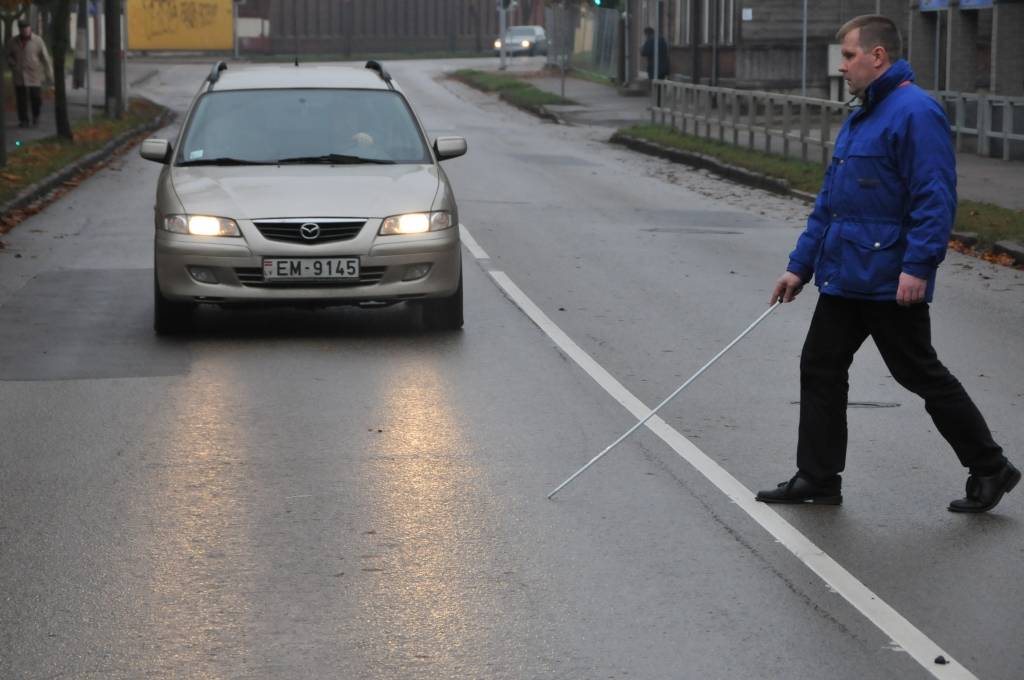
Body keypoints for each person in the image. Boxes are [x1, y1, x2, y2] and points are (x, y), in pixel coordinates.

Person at [755, 15, 1018, 513]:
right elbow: (830, 204)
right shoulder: (861, 116)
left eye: (850, 55)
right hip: (843, 276)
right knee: (820, 365)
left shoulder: (915, 113)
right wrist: (800, 266)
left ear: (878, 56)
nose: (843, 65)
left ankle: (991, 467)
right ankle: (818, 477)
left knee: (919, 373)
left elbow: (934, 197)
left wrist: (918, 267)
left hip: (889, 279)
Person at [6, 18, 54, 128]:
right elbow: (7, 55)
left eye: (27, 28)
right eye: (22, 29)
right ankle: (23, 120)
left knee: (36, 98)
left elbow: (45, 58)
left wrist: (49, 75)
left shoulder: (37, 40)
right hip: (19, 75)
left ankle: (36, 116)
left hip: (34, 74)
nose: (25, 31)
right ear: (20, 30)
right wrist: (12, 63)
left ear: (30, 28)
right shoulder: (13, 42)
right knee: (21, 100)